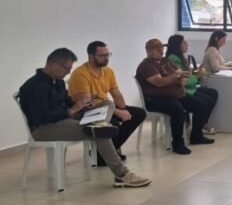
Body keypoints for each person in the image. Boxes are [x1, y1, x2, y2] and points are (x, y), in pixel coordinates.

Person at [18, 48, 150, 187]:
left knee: (107, 104)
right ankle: (122, 174)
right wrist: (73, 110)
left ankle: (99, 124)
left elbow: (67, 102)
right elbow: (42, 117)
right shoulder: (33, 86)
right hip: (44, 128)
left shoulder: (58, 82)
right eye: (67, 69)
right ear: (54, 65)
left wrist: (84, 104)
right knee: (99, 131)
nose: (68, 72)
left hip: (66, 120)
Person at [68, 41, 146, 167]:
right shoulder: (80, 74)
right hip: (86, 111)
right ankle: (103, 155)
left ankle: (107, 151)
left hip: (105, 107)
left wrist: (123, 108)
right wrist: (117, 112)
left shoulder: (108, 71)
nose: (106, 58)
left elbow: (115, 92)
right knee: (113, 123)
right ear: (91, 56)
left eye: (108, 54)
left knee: (138, 114)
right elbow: (88, 103)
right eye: (102, 55)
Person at [136, 38, 215, 155]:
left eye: (162, 49)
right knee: (177, 110)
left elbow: (179, 73)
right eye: (158, 49)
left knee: (201, 105)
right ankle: (178, 144)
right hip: (155, 99)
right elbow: (159, 82)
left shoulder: (165, 61)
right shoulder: (146, 66)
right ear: (148, 50)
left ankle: (196, 136)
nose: (161, 52)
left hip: (175, 94)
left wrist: (183, 75)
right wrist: (177, 76)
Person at [166, 34, 219, 135]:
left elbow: (189, 75)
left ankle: (202, 123)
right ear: (177, 45)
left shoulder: (181, 57)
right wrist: (197, 75)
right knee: (204, 102)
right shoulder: (172, 59)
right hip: (182, 90)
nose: (187, 44)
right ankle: (198, 130)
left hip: (190, 88)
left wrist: (196, 73)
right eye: (184, 42)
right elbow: (184, 79)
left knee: (212, 93)